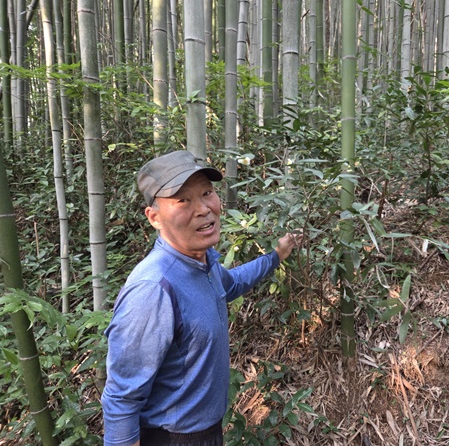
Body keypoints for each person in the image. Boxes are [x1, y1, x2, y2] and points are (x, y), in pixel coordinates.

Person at [101, 150, 300, 446]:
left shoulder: (202, 264)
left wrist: (276, 256)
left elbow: (233, 284)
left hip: (205, 432)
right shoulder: (154, 287)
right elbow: (122, 395)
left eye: (207, 193)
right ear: (154, 217)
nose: (204, 209)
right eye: (183, 200)